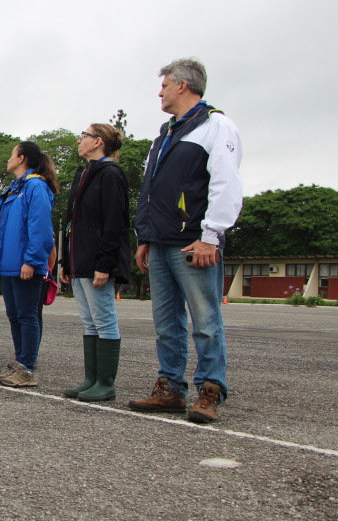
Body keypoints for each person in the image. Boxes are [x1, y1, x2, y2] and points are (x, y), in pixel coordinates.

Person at [129, 58, 243, 423]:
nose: (159, 92)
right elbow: (151, 191)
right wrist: (145, 236)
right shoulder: (165, 135)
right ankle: (170, 388)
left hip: (193, 241)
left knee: (205, 320)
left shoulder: (216, 126)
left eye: (164, 85)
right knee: (166, 322)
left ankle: (210, 389)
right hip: (159, 241)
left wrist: (211, 235)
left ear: (183, 85)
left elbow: (226, 183)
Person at [61, 124, 131, 402]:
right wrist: (67, 262)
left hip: (97, 262)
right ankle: (91, 379)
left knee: (104, 320)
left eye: (84, 136)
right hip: (79, 261)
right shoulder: (84, 173)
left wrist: (104, 264)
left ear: (98, 141)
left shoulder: (110, 173)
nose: (79, 140)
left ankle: (105, 383)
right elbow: (72, 223)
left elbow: (115, 223)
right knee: (89, 322)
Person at [0, 142, 57, 386]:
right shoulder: (15, 188)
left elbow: (40, 227)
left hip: (25, 264)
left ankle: (28, 368)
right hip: (9, 264)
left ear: (21, 158)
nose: (9, 158)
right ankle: (20, 362)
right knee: (15, 316)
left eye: (11, 154)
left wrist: (31, 260)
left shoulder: (35, 185)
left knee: (27, 316)